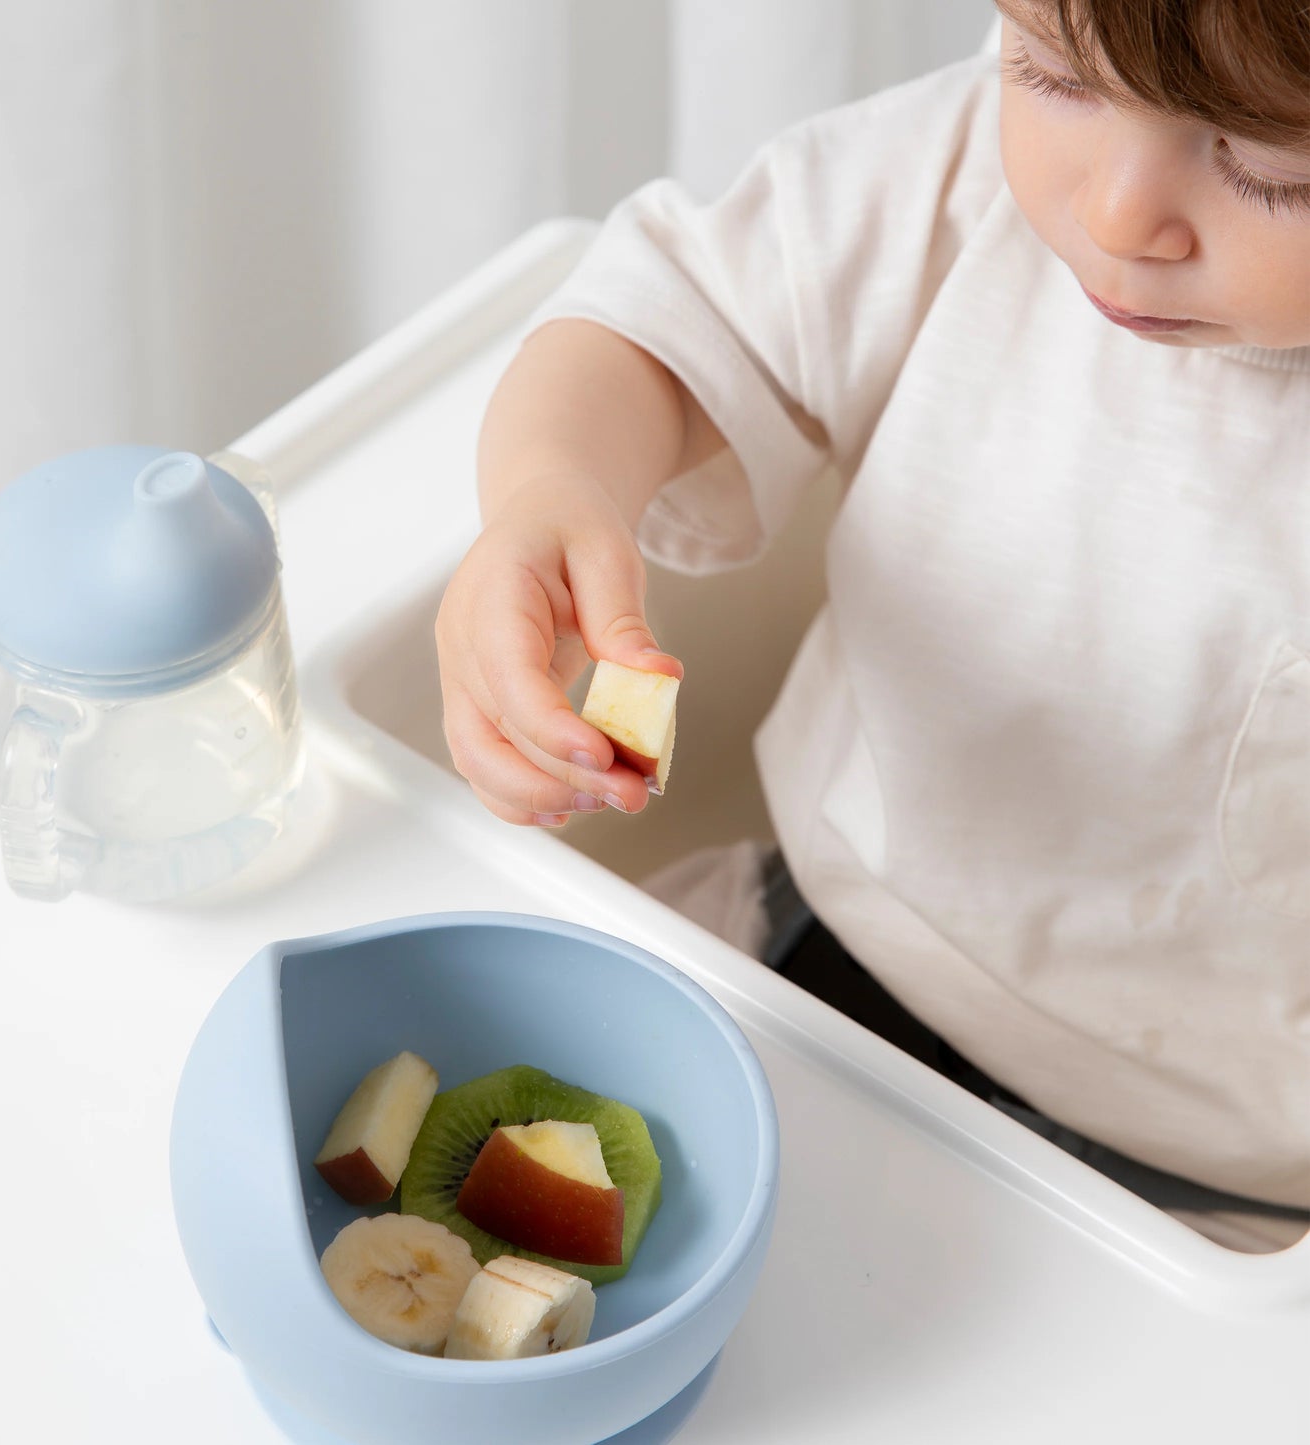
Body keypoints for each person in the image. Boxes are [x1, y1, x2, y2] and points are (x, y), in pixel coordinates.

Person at [433, 0, 1310, 1247]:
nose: (1116, 217)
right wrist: (549, 494)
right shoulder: (951, 180)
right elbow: (663, 324)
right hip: (826, 956)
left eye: (1265, 167)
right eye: (1051, 74)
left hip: (1232, 1194)